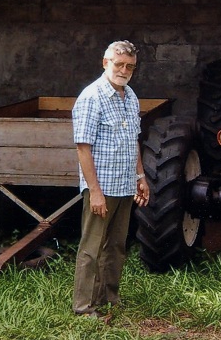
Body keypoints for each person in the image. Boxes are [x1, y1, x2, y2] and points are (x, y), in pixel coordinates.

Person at [71, 40, 150, 318]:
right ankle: (83, 307)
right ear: (106, 63)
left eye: (130, 66)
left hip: (124, 186)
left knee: (116, 246)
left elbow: (133, 141)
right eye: (119, 64)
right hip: (101, 188)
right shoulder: (91, 97)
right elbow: (83, 148)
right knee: (91, 248)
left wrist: (140, 176)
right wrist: (94, 191)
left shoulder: (131, 96)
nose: (124, 70)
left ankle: (109, 298)